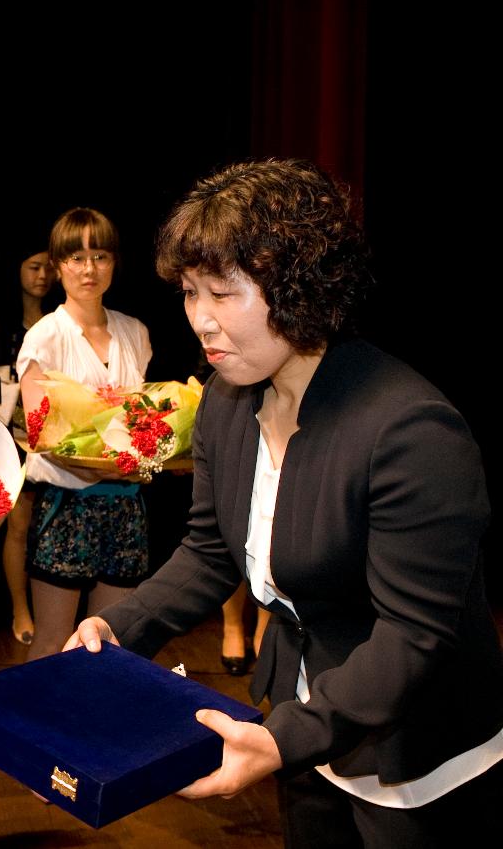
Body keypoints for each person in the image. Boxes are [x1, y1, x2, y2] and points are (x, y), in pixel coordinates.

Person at [70, 159, 503, 847]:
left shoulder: (410, 428)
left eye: (223, 292)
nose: (200, 321)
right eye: (189, 293)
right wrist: (122, 627)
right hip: (296, 727)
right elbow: (212, 551)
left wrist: (281, 739)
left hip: (411, 755)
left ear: (300, 283)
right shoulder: (226, 398)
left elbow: (413, 635)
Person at [17, 208, 153, 660]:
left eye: (100, 256)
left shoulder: (135, 333)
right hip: (67, 507)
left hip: (126, 506)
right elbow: (42, 435)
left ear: (114, 263)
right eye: (75, 258)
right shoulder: (45, 337)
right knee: (54, 643)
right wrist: (115, 464)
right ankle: (35, 732)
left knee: (110, 647)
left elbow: (144, 425)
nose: (88, 269)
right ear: (58, 266)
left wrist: (151, 454)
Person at [0, 248, 57, 645]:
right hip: (11, 434)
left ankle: (54, 610)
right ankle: (20, 607)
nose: (42, 276)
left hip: (57, 435)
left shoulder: (59, 321)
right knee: (18, 524)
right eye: (33, 267)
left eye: (48, 268)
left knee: (53, 525)